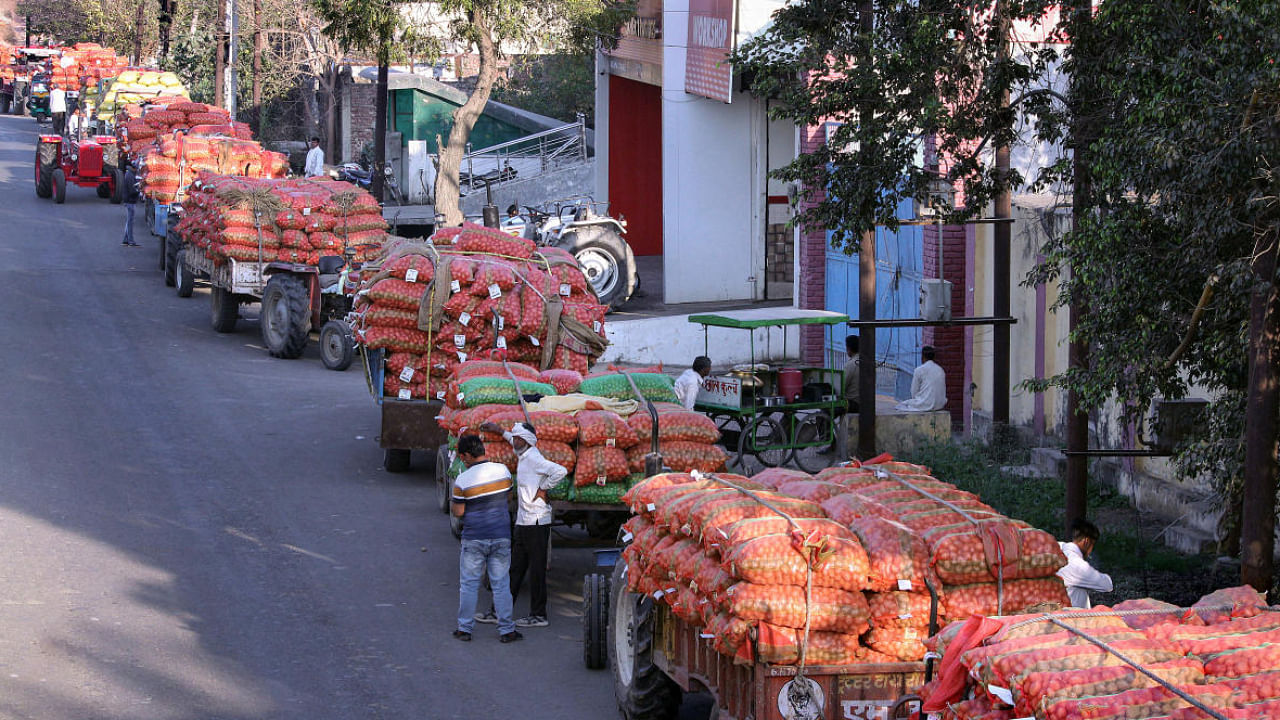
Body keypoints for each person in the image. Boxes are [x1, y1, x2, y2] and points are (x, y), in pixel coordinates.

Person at [476, 421, 567, 629]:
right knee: (514, 570)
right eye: (514, 438)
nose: (514, 441)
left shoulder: (534, 458)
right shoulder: (523, 454)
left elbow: (560, 471)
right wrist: (501, 431)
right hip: (523, 523)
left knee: (536, 571)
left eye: (518, 438)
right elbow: (512, 440)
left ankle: (538, 614)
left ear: (526, 441)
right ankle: (498, 611)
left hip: (536, 522)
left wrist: (544, 487)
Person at [450, 434, 522, 643]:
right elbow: (508, 497)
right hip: (501, 536)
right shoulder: (503, 471)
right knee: (501, 584)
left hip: (474, 538)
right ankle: (507, 630)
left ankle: (464, 629)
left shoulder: (463, 480)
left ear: (466, 456)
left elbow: (459, 512)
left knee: (469, 584)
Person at [1056, 519, 1113, 608]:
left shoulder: (1058, 547)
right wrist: (1091, 569)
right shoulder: (1076, 564)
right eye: (1092, 546)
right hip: (1067, 617)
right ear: (1086, 541)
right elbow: (1107, 585)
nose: (1090, 551)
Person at [895, 345, 946, 412]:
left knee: (902, 405)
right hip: (940, 404)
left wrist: (920, 399)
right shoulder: (940, 369)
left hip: (925, 404)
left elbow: (914, 392)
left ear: (923, 357)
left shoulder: (919, 370)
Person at [121, 167, 141, 247]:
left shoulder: (129, 174)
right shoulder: (130, 176)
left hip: (129, 200)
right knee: (130, 221)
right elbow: (132, 190)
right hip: (130, 201)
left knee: (129, 221)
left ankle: (125, 240)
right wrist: (139, 190)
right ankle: (131, 240)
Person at [843, 334, 861, 414]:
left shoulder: (851, 364)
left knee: (827, 408)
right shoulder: (867, 362)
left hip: (853, 403)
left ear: (848, 348)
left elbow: (842, 386)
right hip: (866, 402)